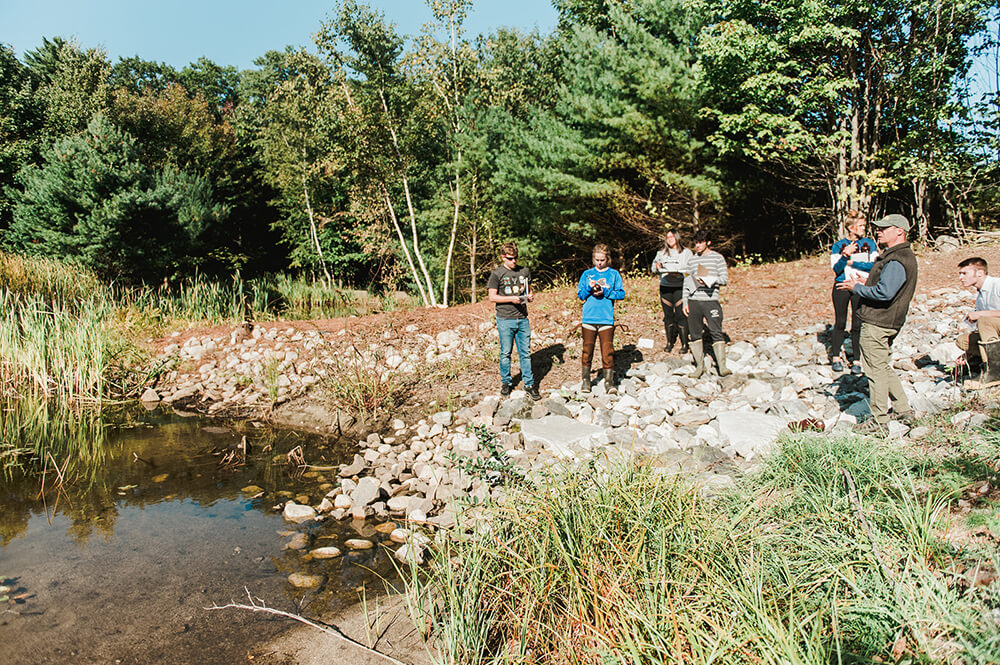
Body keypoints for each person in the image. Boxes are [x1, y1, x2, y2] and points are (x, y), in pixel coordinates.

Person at [837, 214, 918, 433]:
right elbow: (887, 285)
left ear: (900, 231)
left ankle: (879, 421)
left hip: (878, 321)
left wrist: (857, 288)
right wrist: (868, 281)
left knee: (874, 370)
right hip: (889, 321)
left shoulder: (896, 258)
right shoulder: (902, 256)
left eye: (884, 228)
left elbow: (885, 293)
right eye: (878, 228)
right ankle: (903, 409)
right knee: (882, 366)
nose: (878, 231)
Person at [487, 242, 541, 401]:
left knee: (525, 354)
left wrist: (530, 296)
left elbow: (529, 290)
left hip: (522, 318)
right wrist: (512, 299)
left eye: (516, 258)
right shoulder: (497, 274)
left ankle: (529, 384)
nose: (514, 261)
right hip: (505, 319)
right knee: (506, 353)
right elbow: (492, 297)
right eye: (510, 259)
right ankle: (506, 382)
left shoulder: (524, 271)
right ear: (503, 257)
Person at [829, 210, 878, 374]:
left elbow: (875, 266)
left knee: (858, 323)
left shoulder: (870, 244)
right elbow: (836, 270)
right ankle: (835, 357)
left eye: (864, 225)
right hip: (841, 286)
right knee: (840, 322)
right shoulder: (838, 245)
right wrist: (844, 256)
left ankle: (857, 360)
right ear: (850, 227)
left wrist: (851, 261)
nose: (864, 228)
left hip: (860, 286)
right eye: (861, 226)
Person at [577, 243, 626, 393]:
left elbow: (621, 294)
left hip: (606, 318)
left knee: (607, 351)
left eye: (602, 260)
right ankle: (586, 380)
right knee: (587, 350)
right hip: (589, 318)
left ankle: (609, 382)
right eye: (597, 260)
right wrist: (589, 289)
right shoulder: (587, 274)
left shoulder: (613, 274)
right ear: (593, 259)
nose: (599, 263)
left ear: (608, 259)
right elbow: (580, 295)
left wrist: (605, 292)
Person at [682, 229, 731, 378]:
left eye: (700, 242)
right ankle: (699, 367)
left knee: (716, 332)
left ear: (708, 242)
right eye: (696, 242)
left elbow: (724, 279)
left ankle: (722, 366)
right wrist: (685, 301)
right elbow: (687, 282)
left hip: (710, 301)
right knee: (695, 333)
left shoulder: (717, 258)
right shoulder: (692, 260)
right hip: (694, 300)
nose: (697, 245)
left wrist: (711, 279)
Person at [955, 257, 1000, 388]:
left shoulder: (997, 285)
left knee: (985, 321)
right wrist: (967, 354)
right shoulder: (980, 297)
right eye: (960, 274)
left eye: (965, 273)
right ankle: (982, 361)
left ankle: (995, 372)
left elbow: (986, 321)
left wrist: (981, 314)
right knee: (963, 341)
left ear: (980, 273)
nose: (961, 278)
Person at [651, 229, 693, 353]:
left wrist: (680, 274)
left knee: (681, 315)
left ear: (677, 237)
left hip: (681, 286)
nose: (669, 239)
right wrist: (657, 267)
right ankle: (669, 343)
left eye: (672, 236)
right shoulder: (661, 253)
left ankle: (685, 344)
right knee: (668, 316)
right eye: (667, 237)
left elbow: (690, 270)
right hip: (665, 286)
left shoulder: (686, 253)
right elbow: (653, 268)